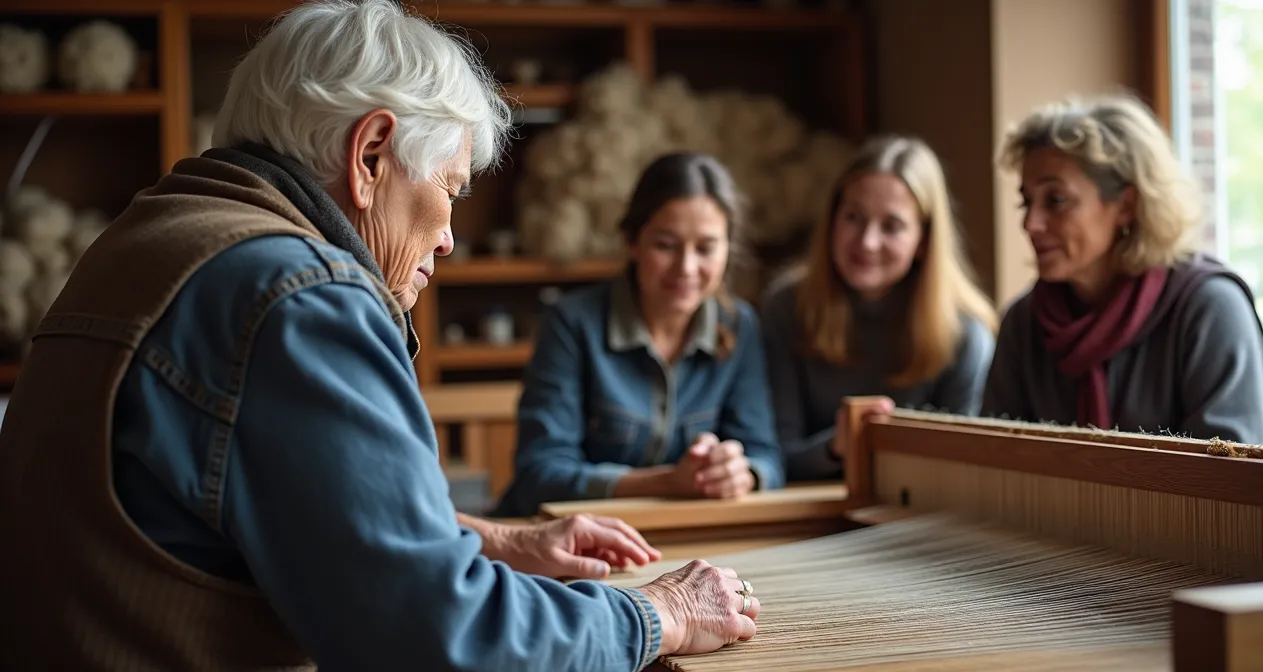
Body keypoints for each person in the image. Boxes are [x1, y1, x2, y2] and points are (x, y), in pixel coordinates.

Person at [0, 2, 763, 670]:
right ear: (370, 156)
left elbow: (251, 501)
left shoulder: (153, 237)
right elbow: (442, 640)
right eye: (450, 192)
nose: (451, 239)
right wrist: (660, 615)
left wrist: (489, 543)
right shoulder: (295, 295)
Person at [495, 152, 786, 517]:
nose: (687, 268)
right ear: (632, 241)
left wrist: (741, 474)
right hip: (560, 542)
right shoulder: (572, 322)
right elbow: (539, 474)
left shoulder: (738, 324)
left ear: (729, 248)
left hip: (683, 537)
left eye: (707, 248)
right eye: (666, 245)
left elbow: (767, 457)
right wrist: (667, 483)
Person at [980, 93, 1263, 443]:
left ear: (1126, 206)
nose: (1031, 224)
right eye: (1026, 201)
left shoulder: (1210, 309)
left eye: (1056, 200)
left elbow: (1233, 482)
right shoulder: (1024, 323)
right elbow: (999, 466)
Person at [760, 135, 997, 481]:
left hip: (923, 514)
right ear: (832, 220)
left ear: (923, 241)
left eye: (892, 226)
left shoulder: (966, 333)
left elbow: (968, 468)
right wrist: (841, 444)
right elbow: (775, 457)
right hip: (809, 509)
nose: (867, 241)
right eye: (854, 217)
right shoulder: (786, 307)